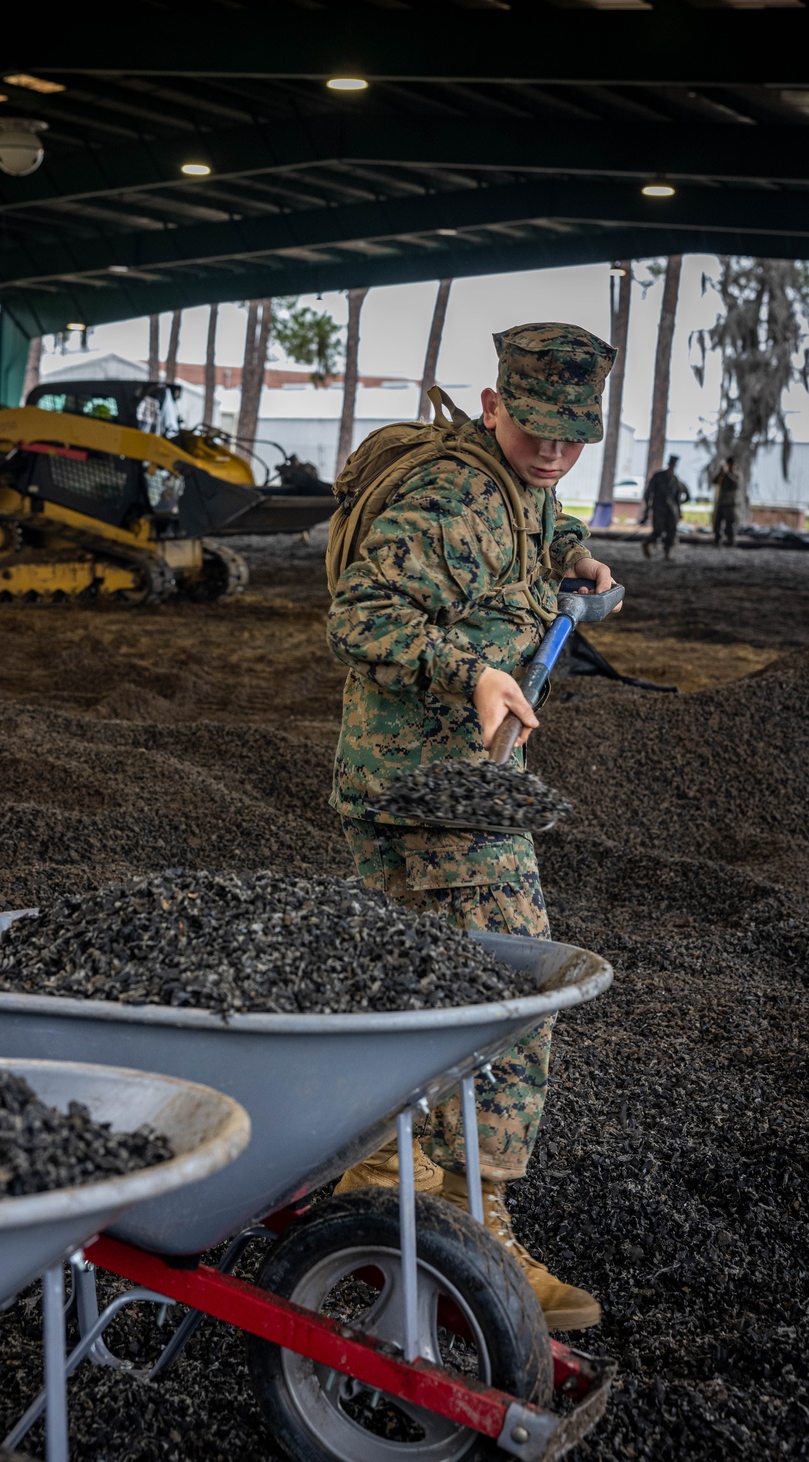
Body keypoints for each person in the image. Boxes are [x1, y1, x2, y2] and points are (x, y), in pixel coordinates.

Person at [326, 322, 620, 1332]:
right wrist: (473, 669)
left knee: (405, 982)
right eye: (536, 429)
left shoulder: (516, 485)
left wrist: (575, 560)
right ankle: (476, 1217)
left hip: (430, 781)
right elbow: (359, 615)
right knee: (514, 992)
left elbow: (538, 524)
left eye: (572, 436)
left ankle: (372, 1178)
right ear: (492, 404)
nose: (551, 453)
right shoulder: (447, 499)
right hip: (435, 794)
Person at [640, 453, 689, 560]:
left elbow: (681, 497)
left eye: (674, 464)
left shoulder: (676, 480)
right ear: (669, 464)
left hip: (671, 511)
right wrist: (647, 508)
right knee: (658, 531)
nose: (672, 466)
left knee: (671, 532)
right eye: (671, 464)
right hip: (659, 509)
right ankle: (646, 543)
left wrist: (678, 509)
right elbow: (649, 492)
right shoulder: (658, 476)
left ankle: (667, 554)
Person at [712, 455, 741, 547]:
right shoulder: (723, 475)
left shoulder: (736, 475)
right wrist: (720, 473)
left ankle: (730, 541)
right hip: (721, 503)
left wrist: (727, 473)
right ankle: (717, 540)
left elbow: (734, 484)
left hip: (730, 504)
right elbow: (714, 481)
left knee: (730, 524)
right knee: (717, 523)